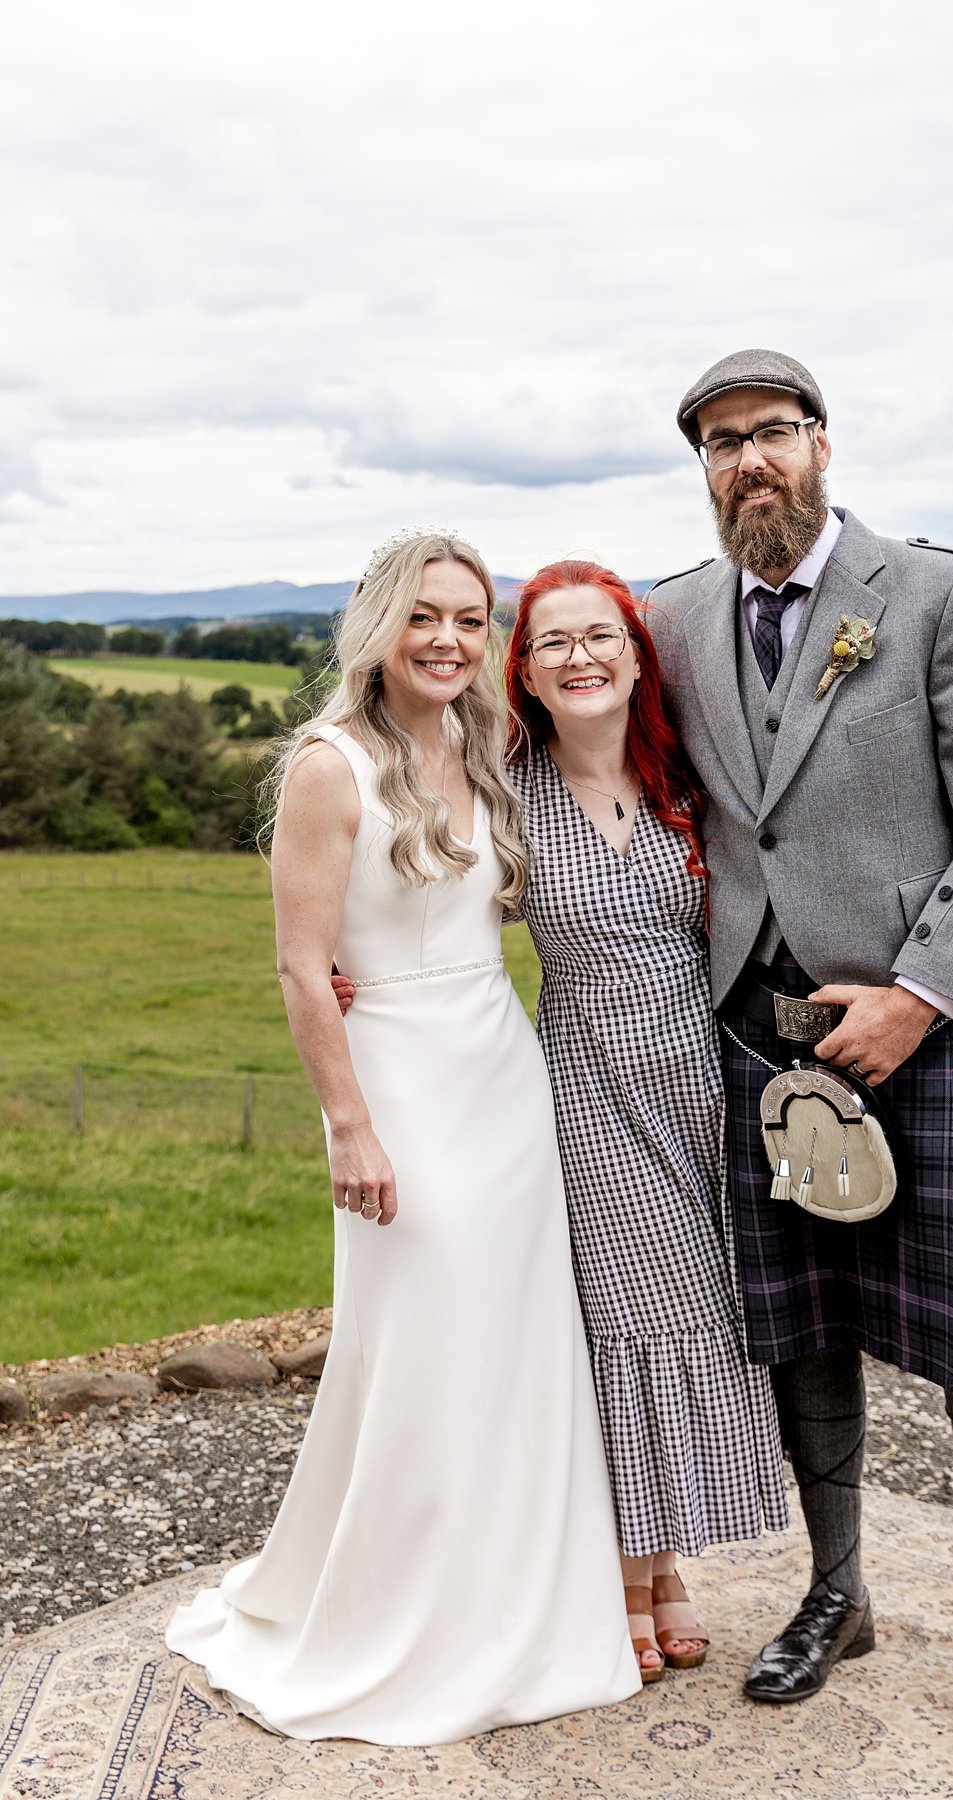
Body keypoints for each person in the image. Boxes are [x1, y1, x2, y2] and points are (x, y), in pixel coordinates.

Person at [645, 350, 953, 1750]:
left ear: (821, 442)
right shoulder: (674, 617)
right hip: (755, 1045)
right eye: (720, 444)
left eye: (769, 432)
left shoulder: (935, 593)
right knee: (802, 1334)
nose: (747, 462)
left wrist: (918, 992)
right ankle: (839, 1593)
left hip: (913, 1043)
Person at [165, 528, 641, 1744]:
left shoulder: (488, 744)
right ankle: (404, 1622)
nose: (447, 639)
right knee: (425, 1353)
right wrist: (351, 1129)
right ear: (378, 626)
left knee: (519, 1350)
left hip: (504, 1075)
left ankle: (526, 1610)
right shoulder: (330, 767)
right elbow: (301, 966)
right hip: (401, 1091)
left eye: (471, 620)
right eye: (424, 616)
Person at [505, 560, 788, 1680]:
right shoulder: (502, 787)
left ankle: (664, 1565)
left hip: (705, 1080)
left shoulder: (691, 778)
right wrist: (349, 967)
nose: (578, 658)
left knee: (700, 1310)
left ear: (635, 656)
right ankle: (629, 1574)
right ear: (526, 673)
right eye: (552, 642)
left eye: (598, 637)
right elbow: (413, 881)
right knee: (630, 1314)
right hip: (586, 1085)